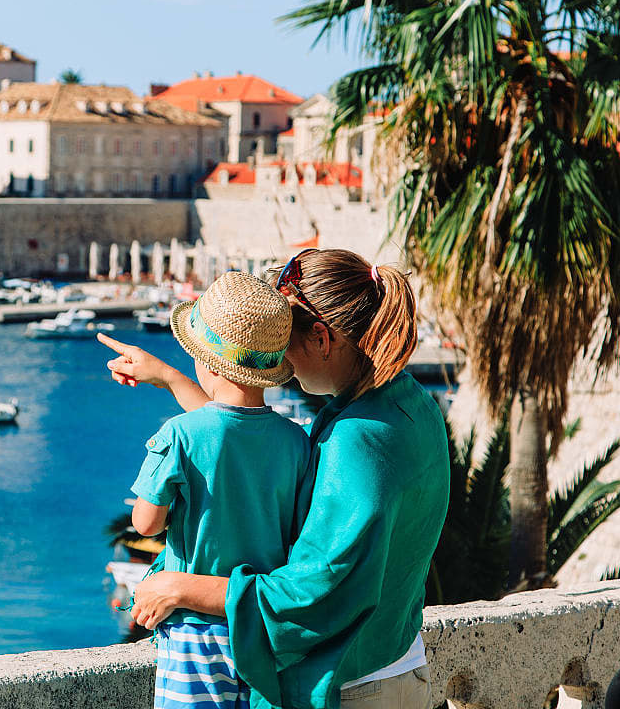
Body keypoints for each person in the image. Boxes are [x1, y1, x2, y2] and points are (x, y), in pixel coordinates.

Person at [98, 249, 450, 709]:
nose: (280, 360)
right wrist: (168, 378)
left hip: (351, 685)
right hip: (399, 663)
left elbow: (311, 592)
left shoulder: (353, 440)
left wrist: (180, 587)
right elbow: (244, 438)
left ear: (322, 338)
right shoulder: (410, 405)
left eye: (287, 340)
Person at [123, 271, 312, 709]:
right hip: (259, 627)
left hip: (194, 632)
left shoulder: (180, 434)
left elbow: (145, 523)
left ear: (203, 361)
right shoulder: (296, 441)